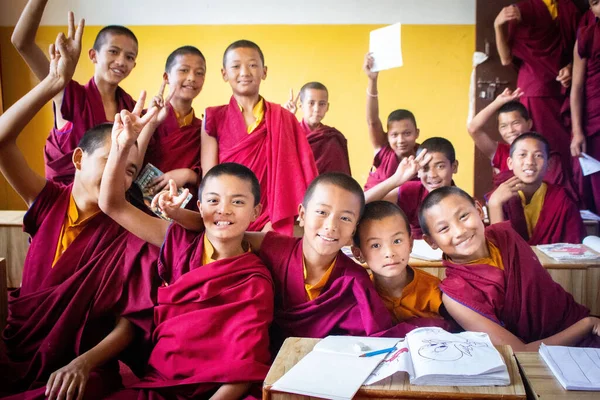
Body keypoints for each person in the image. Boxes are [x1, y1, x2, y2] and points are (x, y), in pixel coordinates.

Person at [0, 19, 156, 400]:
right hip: (17, 346)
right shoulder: (49, 198)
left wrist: (84, 362)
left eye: (129, 169)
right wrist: (53, 84)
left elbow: (131, 321)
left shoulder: (128, 231)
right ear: (77, 157)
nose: (119, 175)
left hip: (82, 361)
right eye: (111, 159)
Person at [99, 104, 274, 400]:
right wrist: (122, 146)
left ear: (256, 210)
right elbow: (112, 204)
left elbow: (244, 372)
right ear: (200, 205)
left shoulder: (255, 280)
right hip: (161, 386)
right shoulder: (178, 240)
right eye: (214, 200)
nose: (224, 210)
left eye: (238, 202)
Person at [242, 173, 451, 349]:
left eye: (345, 218)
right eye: (322, 212)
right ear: (302, 214)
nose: (331, 226)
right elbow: (234, 238)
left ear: (354, 228)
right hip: (267, 359)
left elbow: (376, 338)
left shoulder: (354, 280)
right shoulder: (276, 248)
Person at [419, 186, 600, 351]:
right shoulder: (455, 296)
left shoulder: (506, 236)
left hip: (583, 328)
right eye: (444, 228)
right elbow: (520, 352)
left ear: (479, 210)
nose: (459, 231)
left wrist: (589, 325)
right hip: (546, 360)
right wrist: (586, 325)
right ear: (431, 241)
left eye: (464, 216)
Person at [11, 0, 139, 185]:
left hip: (110, 205)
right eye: (113, 51)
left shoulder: (130, 108)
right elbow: (22, 42)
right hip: (66, 202)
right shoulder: (66, 91)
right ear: (93, 55)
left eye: (129, 57)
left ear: (133, 65)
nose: (121, 61)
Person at [201, 40, 318, 235]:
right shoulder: (213, 117)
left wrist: (273, 222)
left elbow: (297, 173)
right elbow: (210, 179)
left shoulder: (284, 119)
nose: (245, 72)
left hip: (272, 222)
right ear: (224, 73)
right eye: (236, 66)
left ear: (264, 71)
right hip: (227, 220)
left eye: (253, 65)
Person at [494, 0, 581, 166]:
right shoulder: (523, 9)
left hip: (563, 88)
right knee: (537, 149)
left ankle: (562, 191)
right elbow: (506, 59)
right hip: (535, 90)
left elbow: (577, 50)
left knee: (563, 148)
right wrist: (498, 25)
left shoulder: (568, 8)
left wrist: (570, 67)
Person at [467, 88, 579, 203]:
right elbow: (473, 128)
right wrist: (498, 101)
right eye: (503, 126)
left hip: (544, 208)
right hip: (510, 211)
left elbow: (558, 192)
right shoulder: (500, 152)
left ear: (529, 123)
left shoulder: (543, 153)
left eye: (515, 123)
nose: (510, 130)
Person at [352, 201, 445, 323]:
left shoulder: (435, 292)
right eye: (375, 245)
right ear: (359, 254)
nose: (389, 253)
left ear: (410, 243)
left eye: (397, 241)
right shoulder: (362, 296)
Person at [488, 133, 585, 244]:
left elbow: (575, 247)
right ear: (510, 163)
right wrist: (495, 204)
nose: (530, 162)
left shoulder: (562, 200)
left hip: (553, 261)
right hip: (511, 261)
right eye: (522, 155)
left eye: (538, 155)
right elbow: (498, 249)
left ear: (549, 164)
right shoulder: (500, 197)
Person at [138, 46, 206, 198]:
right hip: (138, 206)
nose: (192, 78)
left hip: (183, 212)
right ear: (166, 77)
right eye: (184, 70)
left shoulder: (203, 130)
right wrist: (150, 124)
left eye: (199, 73)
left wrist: (189, 175)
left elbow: (210, 178)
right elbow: (127, 165)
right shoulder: (143, 118)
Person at [365, 137, 458, 239]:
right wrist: (395, 179)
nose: (432, 175)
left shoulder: (462, 201)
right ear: (418, 171)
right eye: (425, 168)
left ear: (454, 167)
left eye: (440, 166)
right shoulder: (414, 191)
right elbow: (360, 204)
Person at [363, 53, 419, 190]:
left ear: (417, 133)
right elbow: (372, 121)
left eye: (407, 133)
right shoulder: (383, 150)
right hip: (379, 209)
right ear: (387, 136)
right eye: (394, 135)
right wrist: (372, 81)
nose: (401, 140)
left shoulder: (423, 156)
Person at [570, 0, 600, 213]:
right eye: (595, 3)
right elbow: (577, 86)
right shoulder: (588, 33)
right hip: (596, 122)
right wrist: (578, 131)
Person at [283, 82, 351, 175]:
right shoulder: (289, 133)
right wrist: (284, 119)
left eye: (322, 104)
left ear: (327, 107)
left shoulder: (332, 138)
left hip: (326, 189)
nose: (316, 109)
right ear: (301, 106)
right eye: (311, 103)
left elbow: (341, 178)